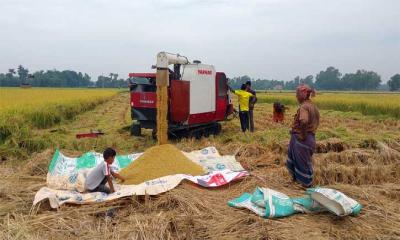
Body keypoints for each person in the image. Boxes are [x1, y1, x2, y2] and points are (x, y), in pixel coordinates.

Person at [286, 84, 319, 188]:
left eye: (297, 94)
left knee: (302, 165)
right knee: (303, 164)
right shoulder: (313, 106)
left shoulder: (304, 107)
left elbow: (304, 121)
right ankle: (300, 184)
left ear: (302, 95)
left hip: (303, 141)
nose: (296, 97)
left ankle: (304, 187)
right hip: (310, 139)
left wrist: (303, 135)